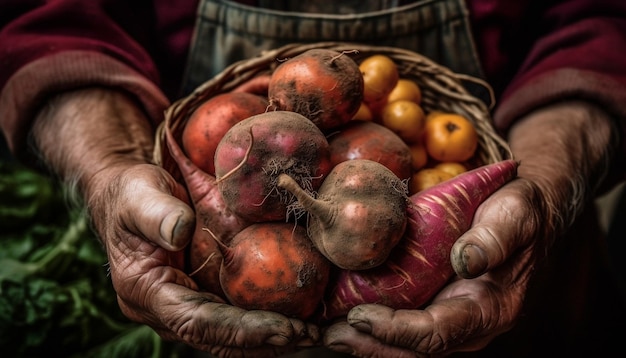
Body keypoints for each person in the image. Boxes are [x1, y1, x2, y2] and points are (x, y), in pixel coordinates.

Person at [1, 0, 625, 356]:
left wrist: (546, 181)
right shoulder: (251, 162)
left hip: (511, 283)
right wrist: (112, 165)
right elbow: (48, 20)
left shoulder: (343, 156)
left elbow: (601, 24)